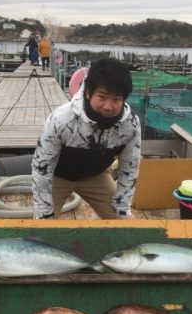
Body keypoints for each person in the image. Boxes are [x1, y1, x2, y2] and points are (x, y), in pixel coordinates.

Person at [31, 57, 141, 219]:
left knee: (121, 222)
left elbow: (129, 169)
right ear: (88, 93)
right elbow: (42, 167)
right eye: (102, 97)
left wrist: (123, 208)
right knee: (43, 225)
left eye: (116, 99)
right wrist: (43, 212)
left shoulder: (130, 125)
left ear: (124, 99)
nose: (108, 106)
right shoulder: (61, 119)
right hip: (58, 176)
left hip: (97, 175)